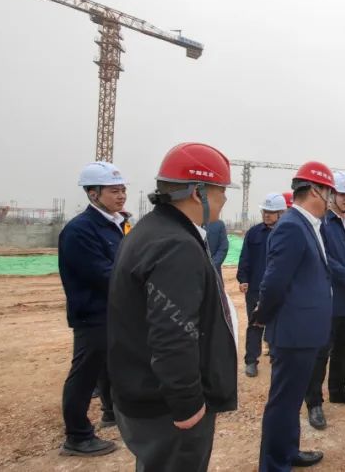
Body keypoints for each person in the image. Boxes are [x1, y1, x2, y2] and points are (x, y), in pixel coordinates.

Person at [107, 143, 239, 471]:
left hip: (143, 392)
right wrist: (187, 403)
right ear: (198, 193)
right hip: (166, 409)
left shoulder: (151, 231)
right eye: (221, 190)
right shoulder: (176, 246)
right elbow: (173, 334)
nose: (225, 199)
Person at [255, 161, 336, 470]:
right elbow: (274, 282)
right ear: (315, 190)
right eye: (329, 192)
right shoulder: (292, 226)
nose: (330, 199)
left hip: (304, 331)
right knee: (283, 403)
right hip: (292, 333)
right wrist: (263, 315)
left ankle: (288, 451)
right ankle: (274, 465)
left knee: (291, 401)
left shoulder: (307, 225)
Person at [57, 161, 130, 457]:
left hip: (114, 312)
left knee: (112, 368)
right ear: (93, 193)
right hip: (93, 314)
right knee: (85, 374)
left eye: (122, 189)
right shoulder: (80, 230)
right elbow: (104, 274)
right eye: (114, 191)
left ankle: (112, 414)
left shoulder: (117, 224)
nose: (121, 195)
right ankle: (77, 436)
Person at [305, 172, 345, 430]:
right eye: (343, 194)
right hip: (329, 298)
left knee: (344, 347)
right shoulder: (322, 223)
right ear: (331, 194)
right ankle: (314, 403)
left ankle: (338, 390)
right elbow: (324, 258)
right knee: (321, 352)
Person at [237, 192, 287, 378]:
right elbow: (245, 258)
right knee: (254, 324)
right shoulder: (254, 233)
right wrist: (243, 279)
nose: (266, 214)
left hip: (279, 288)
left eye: (271, 212)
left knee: (277, 323)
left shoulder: (287, 233)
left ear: (281, 213)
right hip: (256, 287)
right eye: (265, 211)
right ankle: (251, 361)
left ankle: (275, 356)